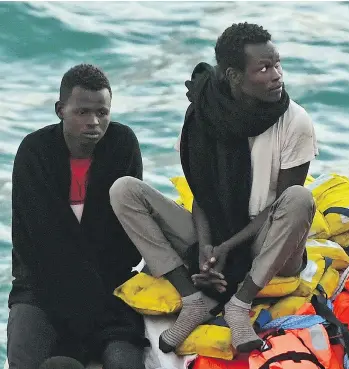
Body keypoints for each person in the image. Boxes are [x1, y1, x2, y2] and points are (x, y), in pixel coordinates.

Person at [109, 22, 318, 354]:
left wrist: (225, 248)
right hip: (217, 228)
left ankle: (239, 304)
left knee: (300, 199)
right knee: (124, 191)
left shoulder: (295, 122)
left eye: (277, 64)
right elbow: (202, 195)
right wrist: (206, 248)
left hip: (269, 240)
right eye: (264, 68)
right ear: (235, 77)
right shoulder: (204, 115)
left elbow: (279, 207)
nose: (277, 75)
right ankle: (192, 299)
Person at [8, 64, 148, 369]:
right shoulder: (35, 151)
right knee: (25, 359)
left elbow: (127, 242)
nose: (94, 122)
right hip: (41, 288)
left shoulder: (122, 144)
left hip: (109, 287)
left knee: (124, 361)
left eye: (102, 112)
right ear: (61, 110)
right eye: (82, 112)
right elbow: (39, 244)